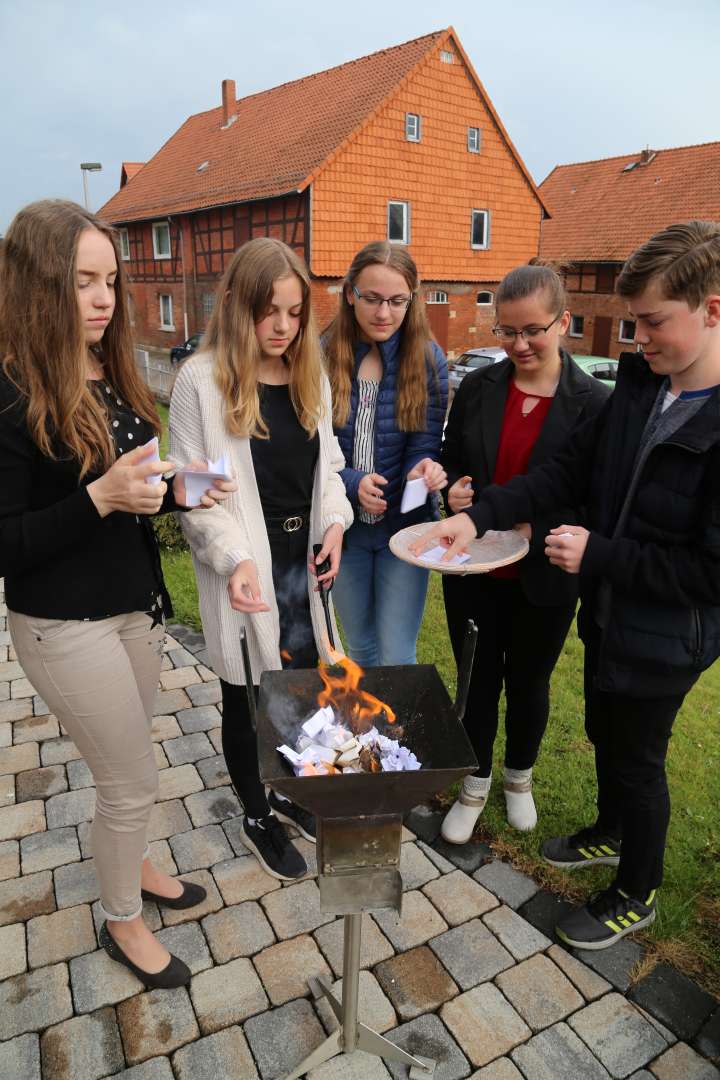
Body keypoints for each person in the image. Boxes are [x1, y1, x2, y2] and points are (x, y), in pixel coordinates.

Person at [413, 221, 720, 949]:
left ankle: (634, 892)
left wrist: (601, 556)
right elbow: (565, 472)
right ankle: (608, 833)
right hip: (613, 618)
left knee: (640, 762)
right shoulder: (644, 388)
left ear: (713, 309)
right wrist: (479, 514)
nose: (637, 337)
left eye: (652, 322)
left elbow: (710, 572)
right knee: (604, 736)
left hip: (668, 633)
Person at [0, 200, 235, 988]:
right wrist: (98, 497)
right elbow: (10, 540)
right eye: (81, 282)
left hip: (135, 609)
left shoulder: (114, 369)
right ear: (37, 286)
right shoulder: (9, 392)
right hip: (62, 625)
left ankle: (133, 866)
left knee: (134, 769)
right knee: (128, 778)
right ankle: (121, 922)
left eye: (110, 280)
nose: (104, 299)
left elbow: (137, 492)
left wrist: (188, 488)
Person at [169, 237, 353, 881]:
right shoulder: (202, 379)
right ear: (238, 306)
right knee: (246, 698)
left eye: (296, 312)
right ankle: (255, 812)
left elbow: (327, 464)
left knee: (297, 689)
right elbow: (196, 494)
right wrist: (232, 559)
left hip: (302, 563)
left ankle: (286, 789)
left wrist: (334, 523)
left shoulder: (309, 371)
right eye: (268, 311)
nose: (283, 327)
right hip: (245, 563)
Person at [440, 265, 610, 842]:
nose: (518, 346)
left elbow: (597, 497)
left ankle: (519, 779)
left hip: (545, 576)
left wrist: (550, 530)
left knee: (530, 682)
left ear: (563, 322)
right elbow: (451, 454)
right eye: (506, 332)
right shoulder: (480, 387)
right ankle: (474, 783)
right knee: (477, 680)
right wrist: (453, 488)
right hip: (475, 568)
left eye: (532, 330)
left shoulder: (595, 404)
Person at [323, 241, 448, 667]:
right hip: (346, 530)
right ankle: (368, 731)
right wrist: (354, 484)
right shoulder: (322, 356)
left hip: (404, 531)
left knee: (397, 654)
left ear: (411, 300)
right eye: (372, 299)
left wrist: (422, 473)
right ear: (350, 293)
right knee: (359, 648)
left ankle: (395, 735)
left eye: (397, 301)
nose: (383, 313)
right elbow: (313, 451)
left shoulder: (428, 360)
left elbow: (425, 444)